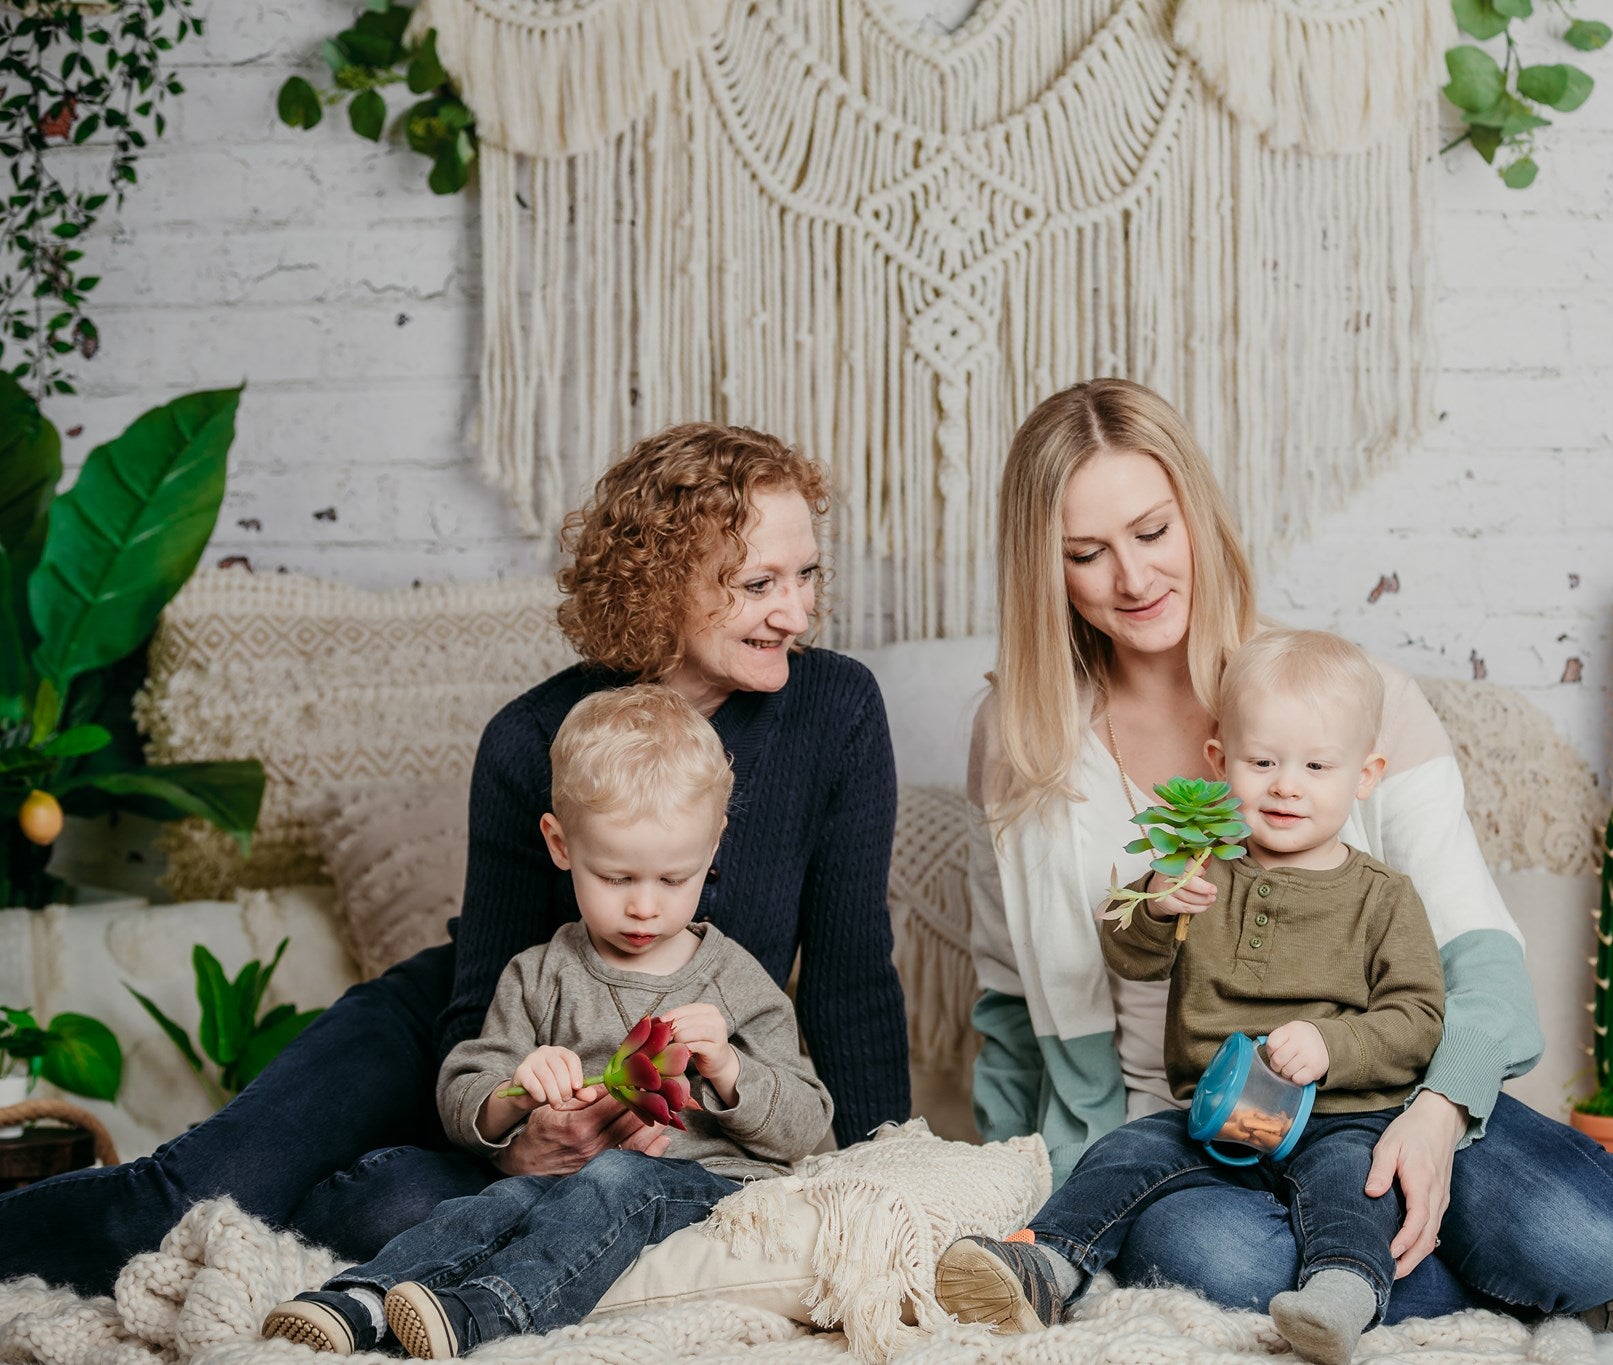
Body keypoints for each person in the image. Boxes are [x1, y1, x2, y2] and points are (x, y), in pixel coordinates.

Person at [964, 378, 1613, 1331]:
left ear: (1198, 516)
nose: (1133, 578)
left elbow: (1480, 958)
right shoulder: (1021, 734)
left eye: (1154, 532)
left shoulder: (1355, 703)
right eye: (1086, 553)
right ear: (1047, 568)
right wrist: (1013, 1180)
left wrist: (1438, 1115)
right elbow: (1006, 994)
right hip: (1188, 1132)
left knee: (1579, 1234)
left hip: (1378, 1096)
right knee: (1215, 1262)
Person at [0, 423, 909, 1292]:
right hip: (472, 1036)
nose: (795, 611)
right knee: (190, 1195)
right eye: (758, 585)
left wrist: (888, 1194)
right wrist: (515, 1140)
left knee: (391, 1206)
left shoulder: (839, 712)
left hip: (604, 1112)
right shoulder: (528, 739)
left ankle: (345, 1199)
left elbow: (850, 979)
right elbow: (484, 1004)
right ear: (663, 583)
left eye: (806, 574)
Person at [262, 687, 831, 1357]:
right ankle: (357, 1299)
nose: (645, 906)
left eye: (674, 879)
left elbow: (810, 1121)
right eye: (616, 877)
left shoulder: (732, 979)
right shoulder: (540, 973)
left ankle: (484, 1313)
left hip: (705, 1192)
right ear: (561, 845)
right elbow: (463, 1092)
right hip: (560, 1184)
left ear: (713, 848)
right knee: (487, 1205)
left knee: (619, 1178)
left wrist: (731, 1072)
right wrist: (519, 1091)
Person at [938, 628, 1444, 1364]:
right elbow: (1128, 957)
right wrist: (1156, 906)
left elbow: (1418, 1018)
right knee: (1122, 1153)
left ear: (1365, 774)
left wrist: (1332, 1045)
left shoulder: (1383, 897)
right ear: (1219, 762)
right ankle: (1044, 1262)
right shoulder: (1202, 871)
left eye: (1315, 765)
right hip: (1211, 1116)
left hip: (1338, 1116)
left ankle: (1340, 1295)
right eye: (1262, 761)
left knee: (1355, 1188)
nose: (1286, 784)